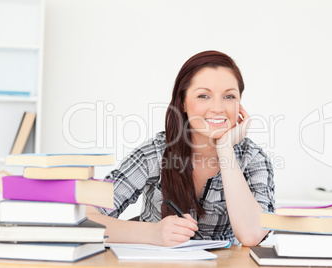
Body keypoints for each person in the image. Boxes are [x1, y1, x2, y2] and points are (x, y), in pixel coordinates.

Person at [86, 50, 275, 247]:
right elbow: (87, 218)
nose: (218, 108)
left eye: (229, 96)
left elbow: (252, 235)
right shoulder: (155, 152)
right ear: (183, 102)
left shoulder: (253, 159)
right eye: (203, 95)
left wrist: (225, 148)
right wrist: (152, 233)